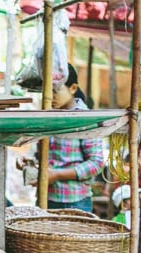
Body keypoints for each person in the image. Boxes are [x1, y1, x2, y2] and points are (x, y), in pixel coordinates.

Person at [43, 64, 104, 212]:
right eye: (46, 90)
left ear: (73, 88)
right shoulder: (48, 116)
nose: (49, 96)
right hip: (47, 198)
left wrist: (57, 175)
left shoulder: (84, 119)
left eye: (55, 90)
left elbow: (96, 163)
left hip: (75, 202)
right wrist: (30, 162)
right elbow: (48, 155)